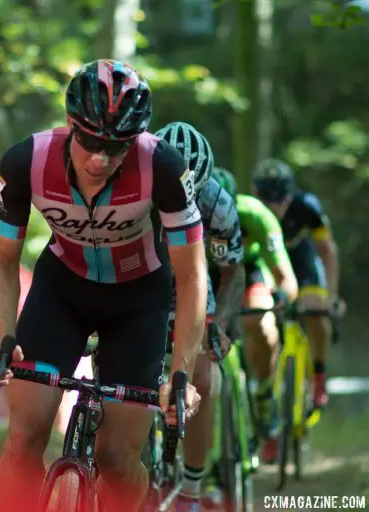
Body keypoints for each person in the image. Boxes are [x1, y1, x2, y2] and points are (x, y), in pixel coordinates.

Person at [0, 59, 206, 512]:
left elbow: (191, 273)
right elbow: (3, 259)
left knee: (118, 461)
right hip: (61, 290)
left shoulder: (163, 166)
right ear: (69, 125)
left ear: (137, 139)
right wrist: (3, 338)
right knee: (25, 436)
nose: (100, 157)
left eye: (116, 145)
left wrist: (181, 372)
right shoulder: (26, 162)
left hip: (138, 298)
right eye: (89, 140)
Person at [154, 125, 245, 510]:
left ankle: (191, 486)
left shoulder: (217, 205)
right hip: (142, 277)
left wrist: (220, 325)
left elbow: (232, 271)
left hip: (193, 283)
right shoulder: (131, 187)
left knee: (203, 375)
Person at [211, 167, 299, 464]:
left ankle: (263, 391)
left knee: (260, 321)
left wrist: (283, 297)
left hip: (250, 271)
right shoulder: (189, 216)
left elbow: (284, 275)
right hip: (210, 274)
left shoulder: (257, 215)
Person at [251, 159, 345, 412]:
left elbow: (327, 250)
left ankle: (318, 374)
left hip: (301, 261)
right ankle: (267, 393)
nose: (275, 207)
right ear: (256, 194)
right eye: (268, 200)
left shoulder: (307, 207)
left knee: (315, 309)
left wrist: (332, 296)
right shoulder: (250, 212)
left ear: (291, 194)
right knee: (261, 321)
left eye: (281, 200)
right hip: (269, 263)